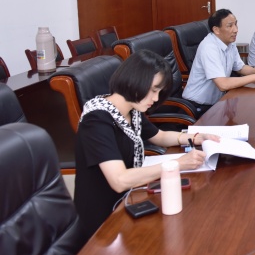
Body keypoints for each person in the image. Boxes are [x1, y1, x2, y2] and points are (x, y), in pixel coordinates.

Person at [74, 50, 220, 238]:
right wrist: (177, 164)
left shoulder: (130, 109)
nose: (156, 99)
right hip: (104, 221)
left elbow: (159, 136)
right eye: (153, 90)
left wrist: (194, 137)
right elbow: (119, 180)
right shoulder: (96, 121)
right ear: (134, 80)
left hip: (131, 198)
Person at [183, 9, 255, 115]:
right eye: (230, 26)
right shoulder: (209, 47)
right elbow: (223, 84)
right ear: (216, 30)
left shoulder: (229, 43)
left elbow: (240, 68)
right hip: (197, 107)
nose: (235, 30)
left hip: (218, 102)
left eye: (236, 24)